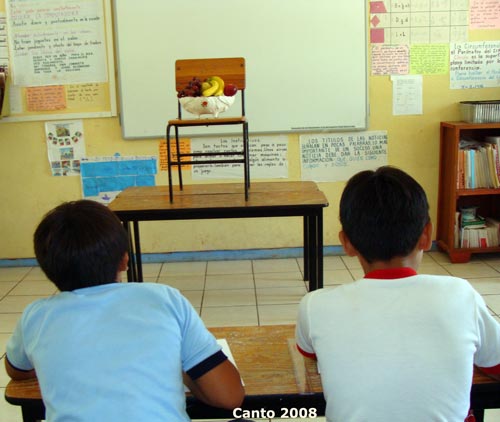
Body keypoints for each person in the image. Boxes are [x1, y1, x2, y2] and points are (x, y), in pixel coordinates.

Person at [5, 200, 244, 421]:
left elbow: (16, 370)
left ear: (47, 268)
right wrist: (179, 368)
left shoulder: (35, 317)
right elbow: (229, 397)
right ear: (125, 260)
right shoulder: (163, 299)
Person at [296, 166, 500, 422]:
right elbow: (495, 364)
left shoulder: (315, 306)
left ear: (346, 243)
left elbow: (311, 353)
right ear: (426, 235)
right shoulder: (460, 295)